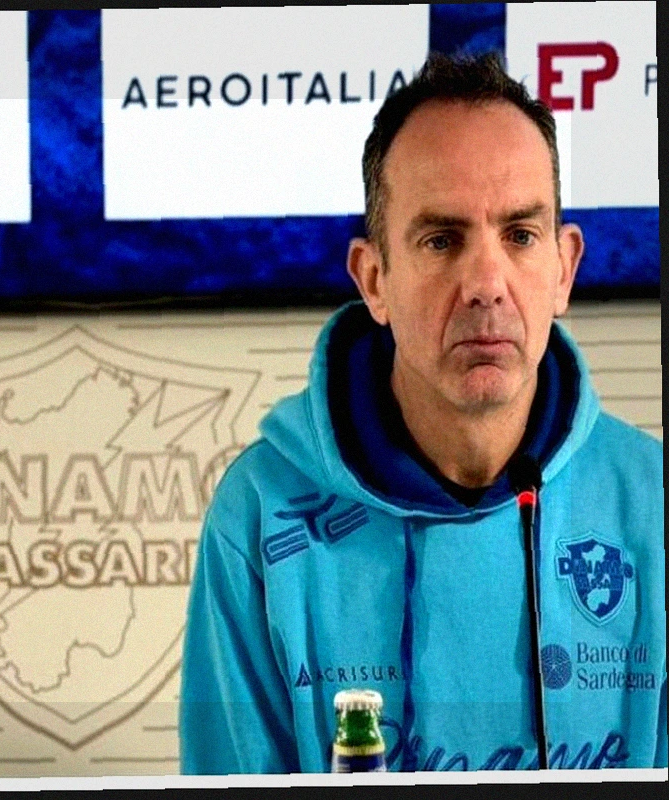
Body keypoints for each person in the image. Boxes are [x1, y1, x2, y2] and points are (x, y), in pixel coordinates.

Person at [179, 53, 666, 772]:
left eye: (520, 235)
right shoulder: (260, 514)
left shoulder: (654, 503)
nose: (486, 283)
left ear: (563, 269)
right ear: (374, 279)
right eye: (442, 240)